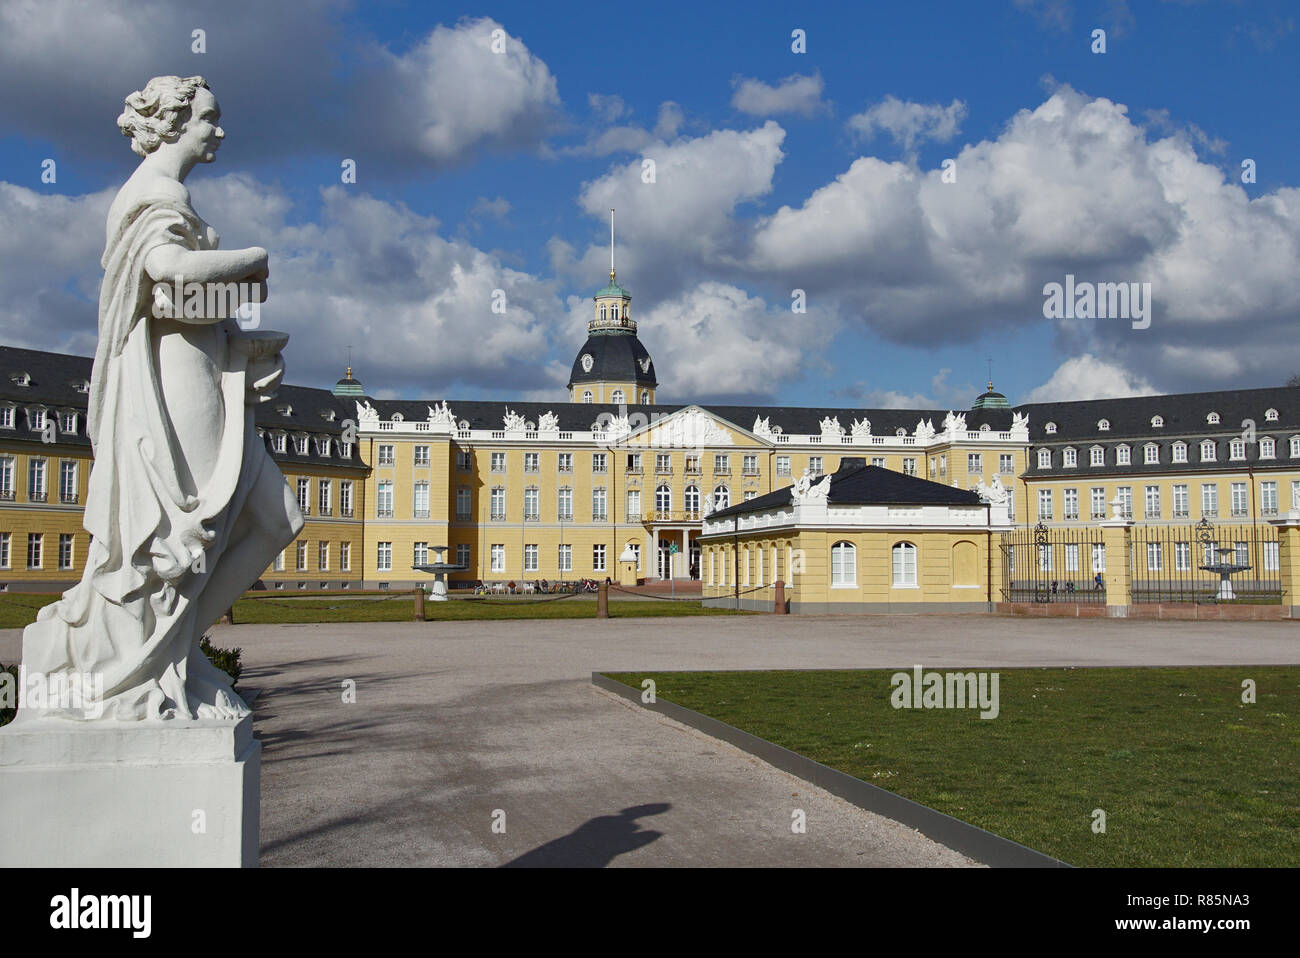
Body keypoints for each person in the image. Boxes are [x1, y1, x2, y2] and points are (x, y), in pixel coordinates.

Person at [19, 77, 301, 721]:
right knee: (186, 533)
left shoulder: (170, 195)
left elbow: (179, 308)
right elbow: (170, 276)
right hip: (176, 390)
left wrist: (249, 350)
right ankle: (158, 657)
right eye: (209, 119)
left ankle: (174, 648)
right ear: (173, 124)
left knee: (280, 518)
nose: (219, 131)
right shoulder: (154, 193)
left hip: (201, 376)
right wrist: (253, 260)